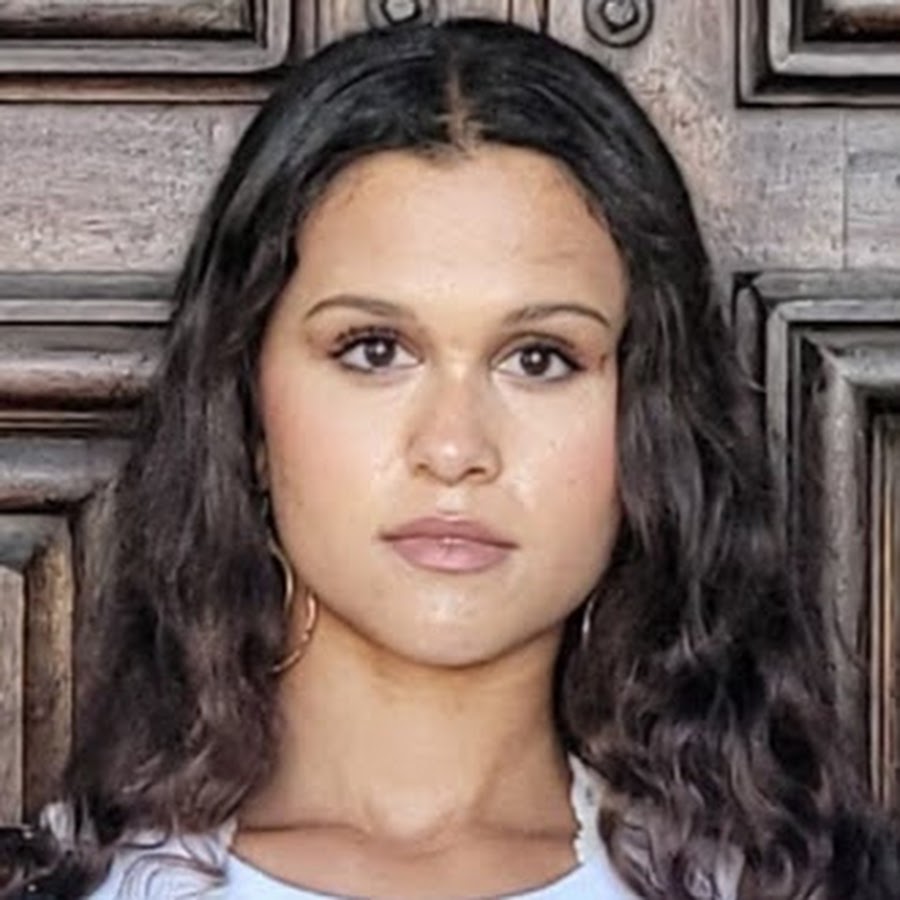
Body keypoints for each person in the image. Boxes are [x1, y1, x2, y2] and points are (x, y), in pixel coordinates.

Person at [1, 16, 896, 900]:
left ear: (650, 421)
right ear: (246, 412)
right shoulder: (74, 887)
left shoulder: (790, 887)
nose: (455, 449)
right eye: (374, 350)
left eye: (539, 359)